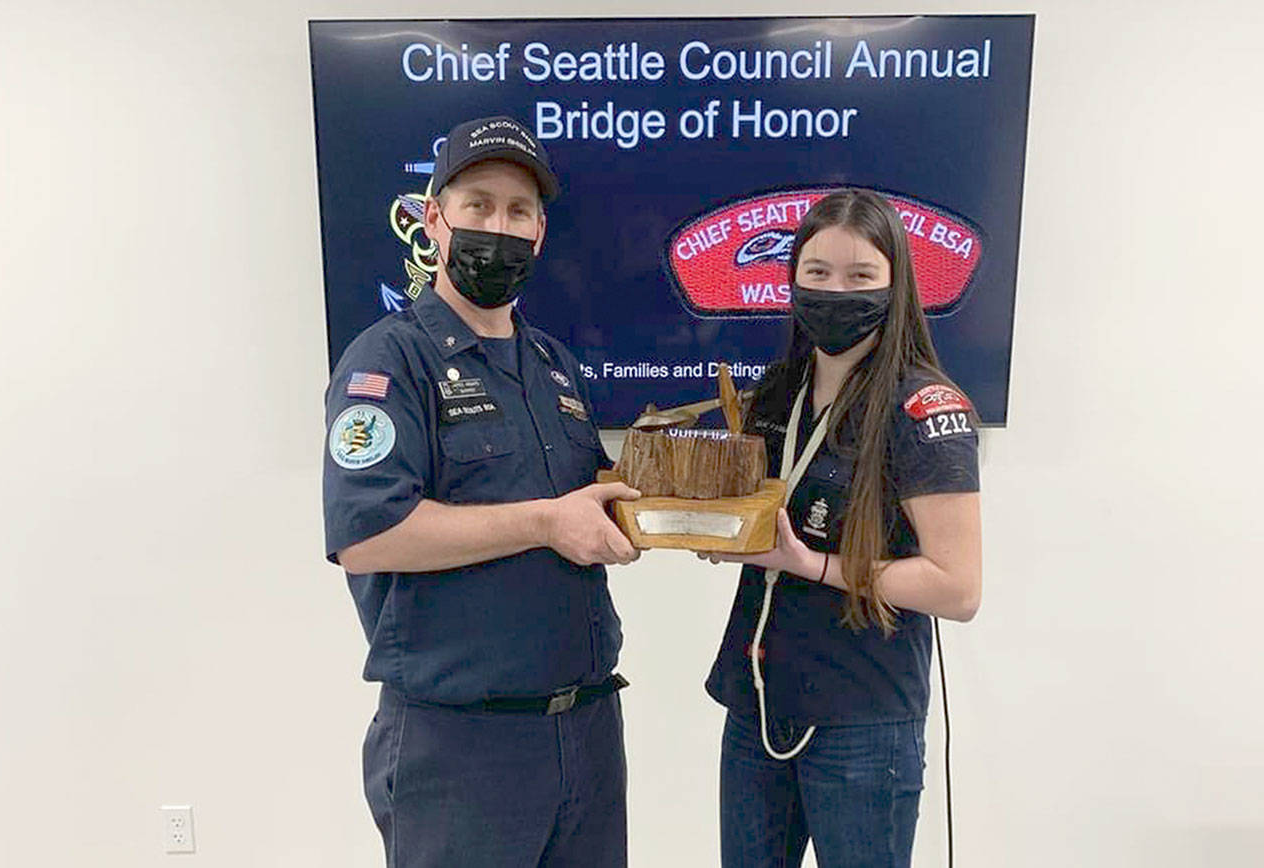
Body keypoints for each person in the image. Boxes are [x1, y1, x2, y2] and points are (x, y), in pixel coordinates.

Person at [322, 115, 641, 868]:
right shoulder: (387, 361)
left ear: (539, 235)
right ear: (434, 219)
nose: (499, 226)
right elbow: (368, 533)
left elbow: (587, 507)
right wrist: (543, 523)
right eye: (479, 205)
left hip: (587, 733)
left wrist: (687, 514)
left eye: (519, 211)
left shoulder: (554, 365)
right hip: (461, 748)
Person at [699, 188, 982, 867]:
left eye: (860, 278)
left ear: (896, 286)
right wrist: (714, 530)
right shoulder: (775, 392)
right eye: (817, 274)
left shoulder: (923, 409)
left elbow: (958, 588)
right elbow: (762, 514)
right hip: (759, 702)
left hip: (863, 721)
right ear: (791, 280)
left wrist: (815, 565)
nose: (835, 292)